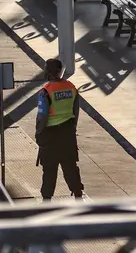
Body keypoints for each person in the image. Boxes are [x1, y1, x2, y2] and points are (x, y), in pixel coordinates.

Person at [36, 59, 84, 201]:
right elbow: (76, 110)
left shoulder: (45, 92)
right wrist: (71, 128)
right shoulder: (71, 87)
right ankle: (78, 195)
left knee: (50, 170)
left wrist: (39, 132)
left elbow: (42, 116)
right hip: (68, 134)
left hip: (50, 136)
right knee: (70, 167)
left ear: (48, 72)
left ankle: (47, 200)